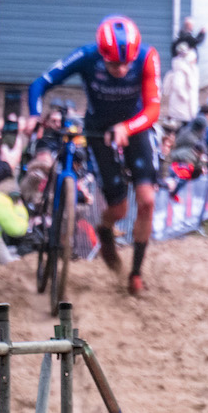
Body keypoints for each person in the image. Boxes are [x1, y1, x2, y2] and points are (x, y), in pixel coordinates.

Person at [26, 15, 161, 296]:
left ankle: (135, 273)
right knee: (119, 208)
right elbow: (40, 83)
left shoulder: (147, 57)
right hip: (99, 129)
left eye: (127, 63)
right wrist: (35, 114)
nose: (122, 69)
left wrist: (127, 126)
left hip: (136, 127)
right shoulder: (87, 56)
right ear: (103, 54)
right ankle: (104, 228)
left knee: (147, 200)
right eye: (114, 63)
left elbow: (153, 109)